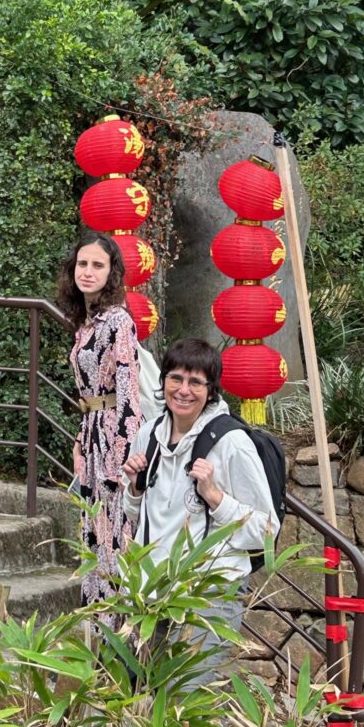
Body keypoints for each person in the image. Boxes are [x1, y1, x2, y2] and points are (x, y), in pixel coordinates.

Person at [121, 337, 277, 682]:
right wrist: (134, 487)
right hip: (151, 591)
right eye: (175, 378)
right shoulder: (148, 434)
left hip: (208, 593)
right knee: (136, 696)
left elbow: (266, 531)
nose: (183, 390)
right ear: (162, 380)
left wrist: (215, 497)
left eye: (195, 382)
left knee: (185, 698)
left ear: (211, 389)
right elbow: (135, 516)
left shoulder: (232, 443)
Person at [57, 231, 142, 619]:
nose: (87, 272)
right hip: (91, 433)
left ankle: (117, 627)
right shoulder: (87, 322)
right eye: (82, 264)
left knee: (114, 533)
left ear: (112, 273)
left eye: (97, 265)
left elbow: (128, 391)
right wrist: (80, 438)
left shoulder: (118, 321)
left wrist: (122, 460)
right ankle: (95, 625)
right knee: (92, 530)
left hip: (113, 438)